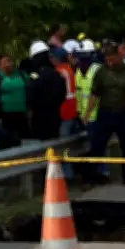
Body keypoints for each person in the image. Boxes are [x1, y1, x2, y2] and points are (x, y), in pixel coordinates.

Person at [81, 44, 125, 187]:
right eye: (107, 58)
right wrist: (87, 113)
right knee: (98, 146)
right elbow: (94, 94)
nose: (109, 61)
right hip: (106, 113)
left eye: (112, 58)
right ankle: (90, 179)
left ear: (119, 56)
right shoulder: (101, 72)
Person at [74, 39, 110, 184]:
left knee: (98, 145)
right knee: (90, 147)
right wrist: (80, 113)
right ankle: (94, 173)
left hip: (98, 115)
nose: (81, 59)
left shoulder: (98, 70)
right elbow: (78, 94)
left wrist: (87, 114)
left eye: (84, 56)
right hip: (84, 117)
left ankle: (102, 173)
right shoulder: (78, 72)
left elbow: (97, 95)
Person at [27, 41, 66, 140]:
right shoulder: (57, 74)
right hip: (55, 118)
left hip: (40, 120)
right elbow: (62, 94)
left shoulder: (35, 77)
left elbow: (30, 98)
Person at [52, 46, 78, 179]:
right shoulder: (70, 69)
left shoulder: (60, 71)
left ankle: (67, 174)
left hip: (65, 111)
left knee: (63, 144)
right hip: (73, 109)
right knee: (71, 143)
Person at [0, 54, 29, 145]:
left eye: (9, 61)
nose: (7, 64)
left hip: (23, 114)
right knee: (10, 140)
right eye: (4, 63)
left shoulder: (22, 75)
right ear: (0, 66)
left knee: (26, 140)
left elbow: (30, 90)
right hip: (7, 115)